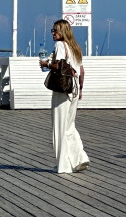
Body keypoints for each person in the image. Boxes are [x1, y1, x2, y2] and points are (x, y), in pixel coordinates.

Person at [38, 19, 89, 174]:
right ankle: (79, 157)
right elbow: (81, 71)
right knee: (69, 126)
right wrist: (80, 90)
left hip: (62, 90)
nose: (53, 33)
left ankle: (63, 165)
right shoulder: (76, 48)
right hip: (73, 89)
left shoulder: (60, 45)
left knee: (59, 127)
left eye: (55, 30)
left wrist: (46, 64)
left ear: (62, 32)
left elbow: (59, 65)